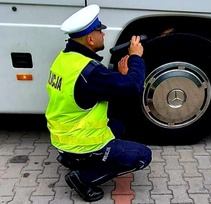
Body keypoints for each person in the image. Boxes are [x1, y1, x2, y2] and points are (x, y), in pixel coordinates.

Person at [45, 4, 152, 202]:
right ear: (90, 39)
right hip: (79, 143)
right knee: (143, 155)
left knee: (117, 126)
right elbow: (133, 87)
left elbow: (89, 88)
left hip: (63, 137)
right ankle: (83, 178)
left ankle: (71, 159)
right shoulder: (90, 72)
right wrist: (136, 57)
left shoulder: (66, 59)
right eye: (100, 30)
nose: (103, 33)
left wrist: (119, 77)